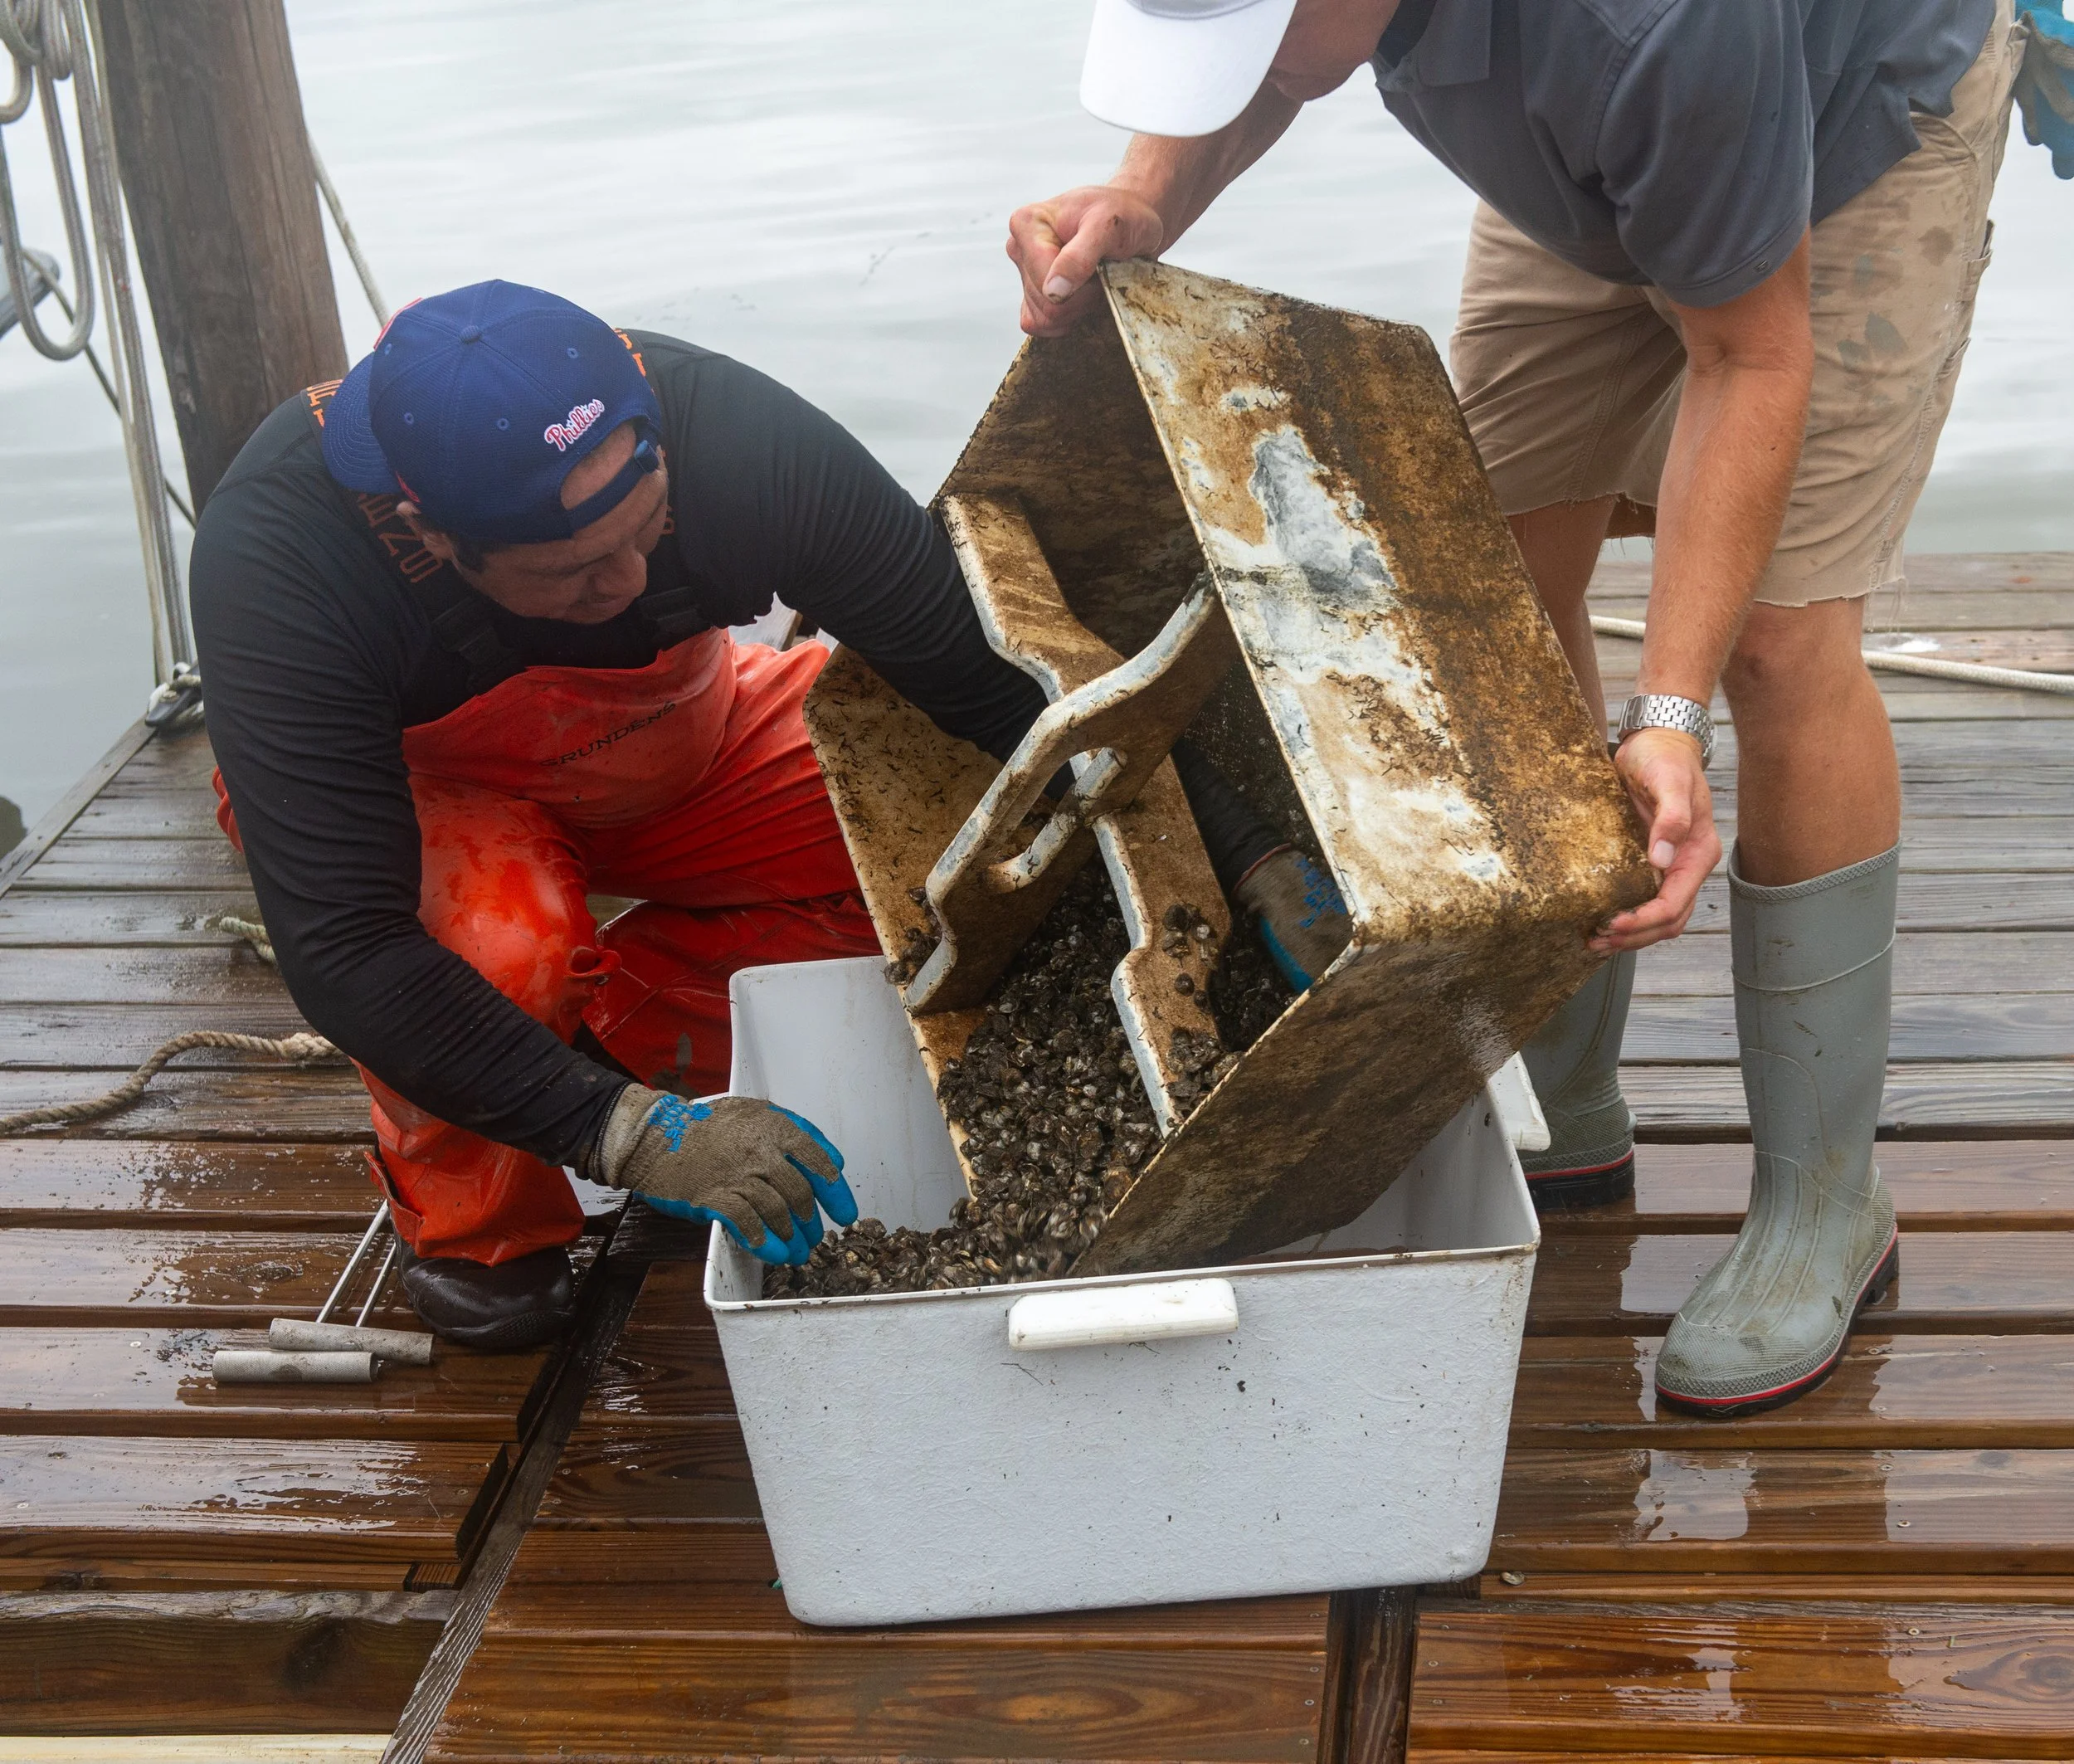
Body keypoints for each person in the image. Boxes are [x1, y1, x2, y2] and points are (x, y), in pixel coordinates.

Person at [1008, 0, 2025, 1412]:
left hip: (1848, 126)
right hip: (1607, 140)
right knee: (1479, 559)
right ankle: (1567, 1092)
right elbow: (1269, 70)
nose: (1237, 71)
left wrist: (1667, 709)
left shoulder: (1663, 27)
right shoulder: (1355, 22)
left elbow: (1750, 357)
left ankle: (1822, 1201)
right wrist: (1141, 192)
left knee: (1781, 644)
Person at [192, 280, 1333, 1348]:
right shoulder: (280, 556)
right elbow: (348, 947)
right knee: (498, 949)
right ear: (436, 535)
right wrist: (630, 1138)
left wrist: (1252, 849)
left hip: (675, 741)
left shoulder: (736, 438)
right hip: (433, 798)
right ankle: (480, 1219)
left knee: (962, 834)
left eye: (650, 532)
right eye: (580, 573)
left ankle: (623, 1038)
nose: (631, 583)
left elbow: (991, 679)